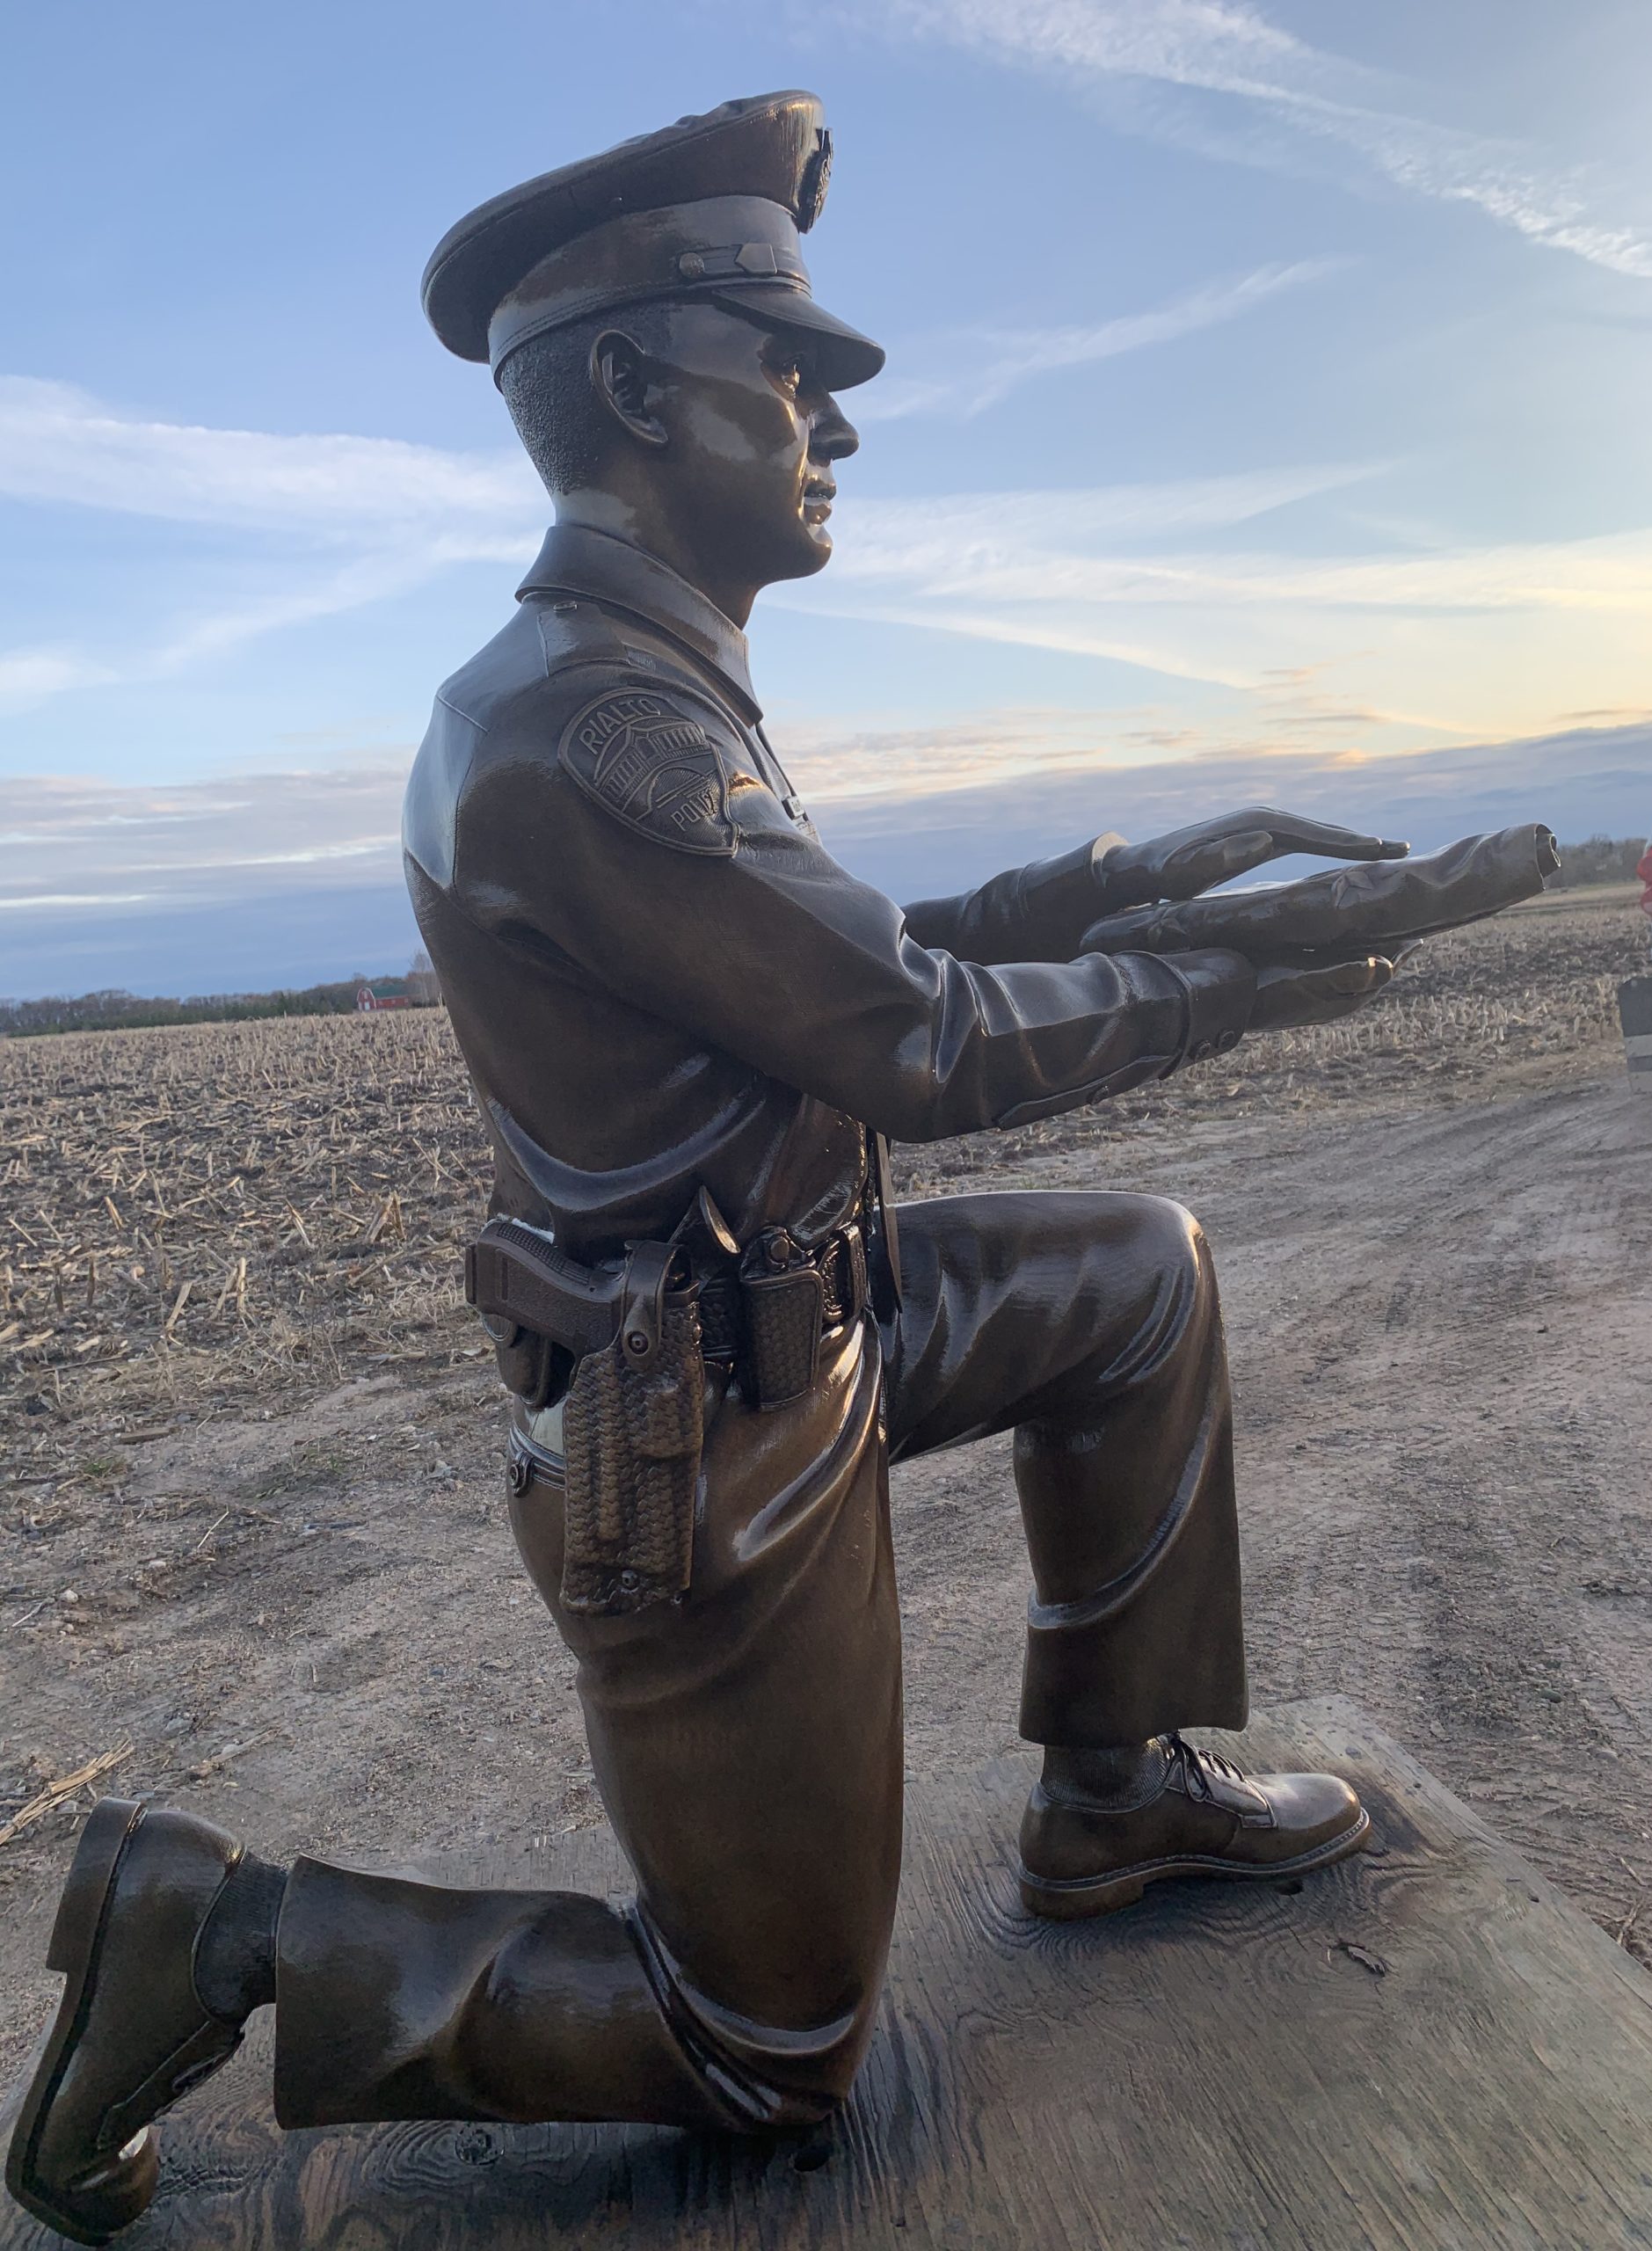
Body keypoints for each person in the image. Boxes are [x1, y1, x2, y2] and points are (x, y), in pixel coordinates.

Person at [10, 92, 1408, 2246]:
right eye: (798, 378)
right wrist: (1238, 972)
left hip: (812, 1316)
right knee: (771, 2048)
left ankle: (1118, 1798)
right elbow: (914, 1035)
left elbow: (847, 953)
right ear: (649, 392)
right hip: (704, 1438)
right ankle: (221, 1930)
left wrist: (1149, 878)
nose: (836, 426)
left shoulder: (646, 685)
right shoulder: (599, 733)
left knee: (1138, 1270)